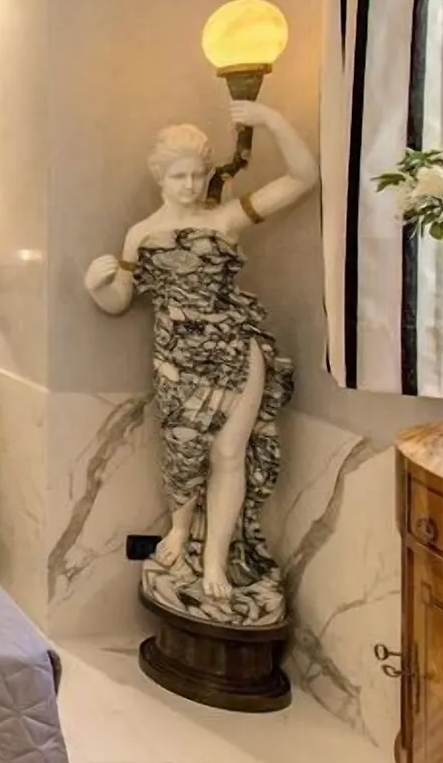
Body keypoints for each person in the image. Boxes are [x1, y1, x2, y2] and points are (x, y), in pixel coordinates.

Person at [83, 101, 317, 622]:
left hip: (236, 346)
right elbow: (120, 301)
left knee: (230, 452)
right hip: (177, 355)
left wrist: (272, 120)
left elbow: (303, 177)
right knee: (184, 451)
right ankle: (181, 528)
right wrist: (97, 285)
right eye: (179, 176)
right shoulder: (141, 235)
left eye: (197, 174)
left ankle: (215, 560)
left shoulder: (225, 219)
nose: (190, 185)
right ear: (160, 178)